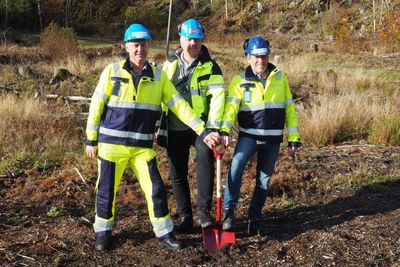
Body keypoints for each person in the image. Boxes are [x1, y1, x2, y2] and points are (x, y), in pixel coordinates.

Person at [85, 23, 219, 251]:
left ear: (149, 45)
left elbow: (179, 106)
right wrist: (91, 138)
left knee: (156, 189)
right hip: (110, 145)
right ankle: (103, 233)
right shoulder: (112, 71)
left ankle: (165, 234)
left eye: (144, 44)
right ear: (126, 46)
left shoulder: (159, 76)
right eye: (135, 45)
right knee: (106, 190)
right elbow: (96, 106)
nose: (140, 49)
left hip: (141, 146)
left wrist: (202, 131)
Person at [220, 35, 301, 236]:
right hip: (248, 137)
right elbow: (230, 109)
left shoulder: (280, 78)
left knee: (263, 181)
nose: (260, 60)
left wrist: (293, 137)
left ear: (268, 56)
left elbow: (289, 109)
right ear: (248, 57)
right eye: (256, 56)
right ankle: (229, 213)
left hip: (272, 140)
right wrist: (225, 130)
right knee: (236, 166)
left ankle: (254, 218)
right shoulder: (239, 82)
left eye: (264, 56)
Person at [159, 18, 225, 232]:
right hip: (174, 127)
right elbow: (159, 96)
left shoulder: (211, 67)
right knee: (177, 173)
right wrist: (156, 124)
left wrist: (213, 129)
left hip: (202, 129)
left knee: (205, 157)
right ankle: (186, 218)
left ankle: (204, 211)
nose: (193, 44)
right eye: (189, 39)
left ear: (201, 40)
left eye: (197, 40)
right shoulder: (169, 64)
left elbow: (217, 99)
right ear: (181, 39)